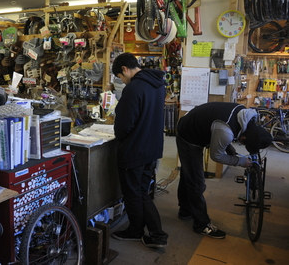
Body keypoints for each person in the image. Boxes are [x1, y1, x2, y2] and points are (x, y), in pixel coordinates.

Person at [176, 102, 273, 239]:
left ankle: (185, 211)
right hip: (188, 136)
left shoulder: (245, 115)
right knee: (197, 183)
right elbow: (216, 156)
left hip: (197, 124)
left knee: (189, 174)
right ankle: (201, 225)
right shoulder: (225, 131)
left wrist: (228, 148)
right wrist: (240, 161)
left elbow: (222, 130)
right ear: (244, 138)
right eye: (244, 143)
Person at [111, 53, 168, 248]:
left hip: (135, 150)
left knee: (134, 193)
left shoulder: (133, 88)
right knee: (143, 192)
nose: (122, 80)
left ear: (125, 69)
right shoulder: (158, 84)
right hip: (152, 147)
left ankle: (136, 231)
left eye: (120, 76)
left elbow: (124, 125)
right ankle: (157, 234)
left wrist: (120, 135)